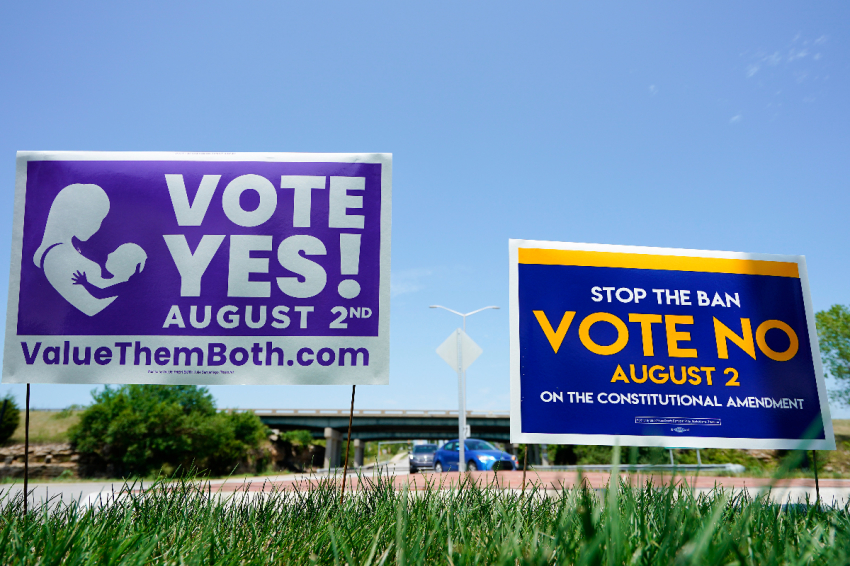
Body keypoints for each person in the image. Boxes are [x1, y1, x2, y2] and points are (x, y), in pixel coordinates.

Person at [71, 243, 147, 300]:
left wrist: (85, 283)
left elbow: (100, 294)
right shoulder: (130, 285)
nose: (110, 255)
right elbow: (100, 294)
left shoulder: (129, 286)